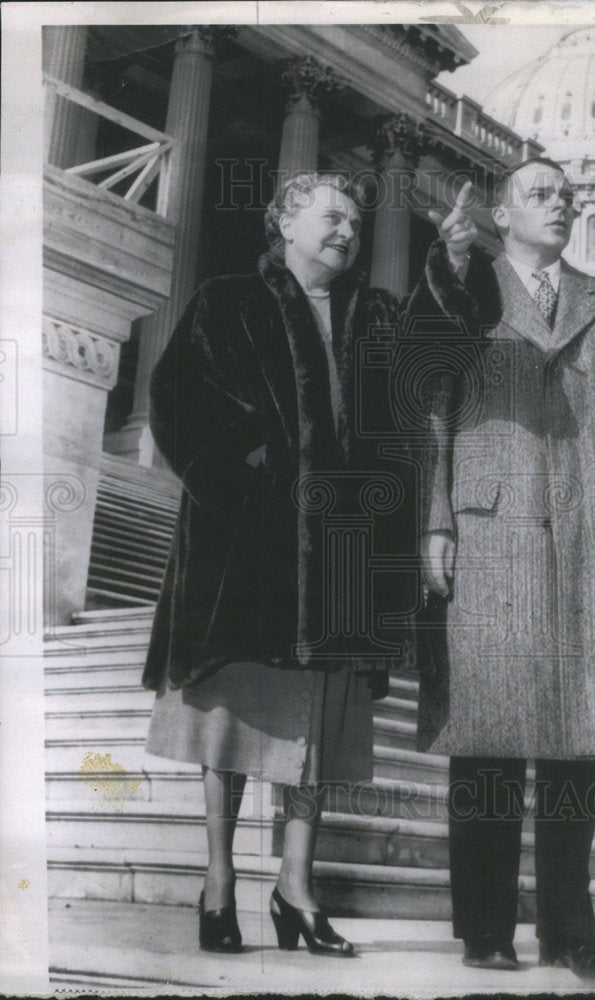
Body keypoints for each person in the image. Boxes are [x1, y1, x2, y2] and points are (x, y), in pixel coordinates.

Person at [406, 158, 595, 980]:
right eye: (540, 194)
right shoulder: (466, 288)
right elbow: (430, 397)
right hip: (490, 529)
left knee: (578, 743)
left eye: (567, 196)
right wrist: (434, 519)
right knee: (486, 738)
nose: (559, 204)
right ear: (500, 213)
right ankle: (485, 929)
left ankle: (572, 933)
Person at [142, 172, 411, 957]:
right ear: (285, 224)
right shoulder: (228, 299)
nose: (347, 232)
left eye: (356, 224)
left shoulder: (372, 316)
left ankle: (296, 889)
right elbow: (173, 395)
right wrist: (242, 470)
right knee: (229, 718)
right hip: (244, 545)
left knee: (317, 730)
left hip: (338, 552)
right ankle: (220, 882)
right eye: (331, 217)